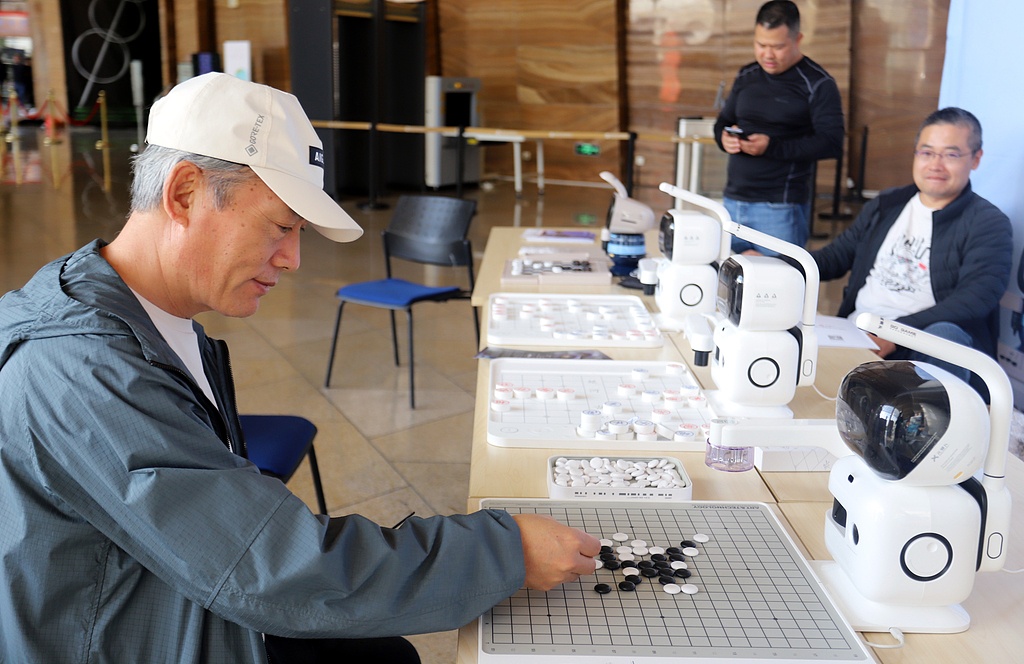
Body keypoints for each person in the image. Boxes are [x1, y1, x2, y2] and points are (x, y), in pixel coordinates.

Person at [0, 72, 600, 663]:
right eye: (282, 227)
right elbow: (268, 568)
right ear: (184, 194)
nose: (292, 259)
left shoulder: (148, 316)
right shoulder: (81, 368)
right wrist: (504, 552)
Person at [811, 107, 1013, 383]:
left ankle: (942, 410)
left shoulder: (988, 222)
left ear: (976, 159)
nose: (935, 165)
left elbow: (976, 298)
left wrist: (895, 332)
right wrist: (776, 262)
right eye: (927, 152)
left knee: (946, 335)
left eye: (951, 155)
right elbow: (835, 256)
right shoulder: (887, 203)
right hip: (857, 331)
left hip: (919, 342)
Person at [714, 0, 845, 255]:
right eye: (761, 45)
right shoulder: (746, 75)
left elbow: (832, 142)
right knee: (731, 276)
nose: (768, 55)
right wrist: (723, 138)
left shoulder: (818, 83)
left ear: (798, 39)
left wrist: (772, 147)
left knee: (780, 278)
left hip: (780, 208)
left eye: (777, 47)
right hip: (733, 201)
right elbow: (723, 121)